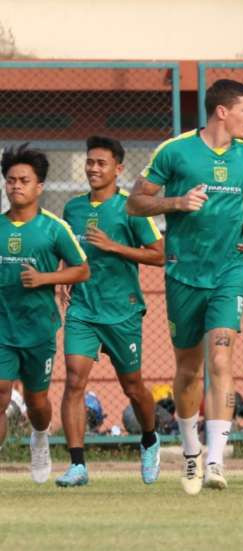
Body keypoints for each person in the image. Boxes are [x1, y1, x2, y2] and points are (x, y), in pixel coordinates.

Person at [127, 79, 243, 494]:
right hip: (184, 272)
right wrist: (177, 203)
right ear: (222, 111)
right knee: (189, 369)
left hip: (229, 271)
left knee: (222, 357)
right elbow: (135, 203)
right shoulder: (175, 150)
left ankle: (217, 461)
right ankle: (191, 454)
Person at [56, 136, 165, 488]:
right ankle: (77, 465)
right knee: (74, 379)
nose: (93, 168)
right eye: (89, 162)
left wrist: (114, 246)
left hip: (123, 310)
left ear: (119, 169)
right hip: (84, 308)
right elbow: (69, 248)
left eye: (101, 163)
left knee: (133, 386)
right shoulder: (73, 208)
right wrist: (61, 274)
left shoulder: (131, 208)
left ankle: (149, 439)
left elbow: (160, 254)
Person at [0, 144, 90, 483]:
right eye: (10, 180)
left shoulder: (54, 228)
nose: (16, 186)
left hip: (38, 329)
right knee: (0, 391)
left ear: (39, 186)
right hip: (2, 328)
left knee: (38, 402)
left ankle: (40, 439)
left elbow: (82, 270)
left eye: (24, 180)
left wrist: (45, 279)